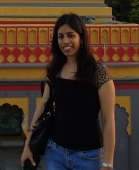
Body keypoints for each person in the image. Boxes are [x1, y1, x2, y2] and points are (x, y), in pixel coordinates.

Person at [21, 13, 116, 170]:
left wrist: (108, 162)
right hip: (55, 152)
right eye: (60, 36)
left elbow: (109, 120)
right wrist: (28, 145)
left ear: (82, 38)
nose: (65, 41)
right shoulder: (55, 71)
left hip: (88, 156)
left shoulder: (98, 72)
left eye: (71, 35)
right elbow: (43, 106)